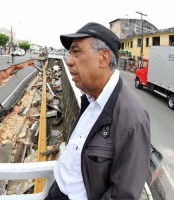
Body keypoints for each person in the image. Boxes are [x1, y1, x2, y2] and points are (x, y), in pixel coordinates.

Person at [45, 22, 151, 200]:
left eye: (76, 52)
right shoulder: (90, 97)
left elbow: (123, 194)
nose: (69, 61)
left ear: (103, 58)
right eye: (70, 53)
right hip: (57, 191)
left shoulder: (132, 117)